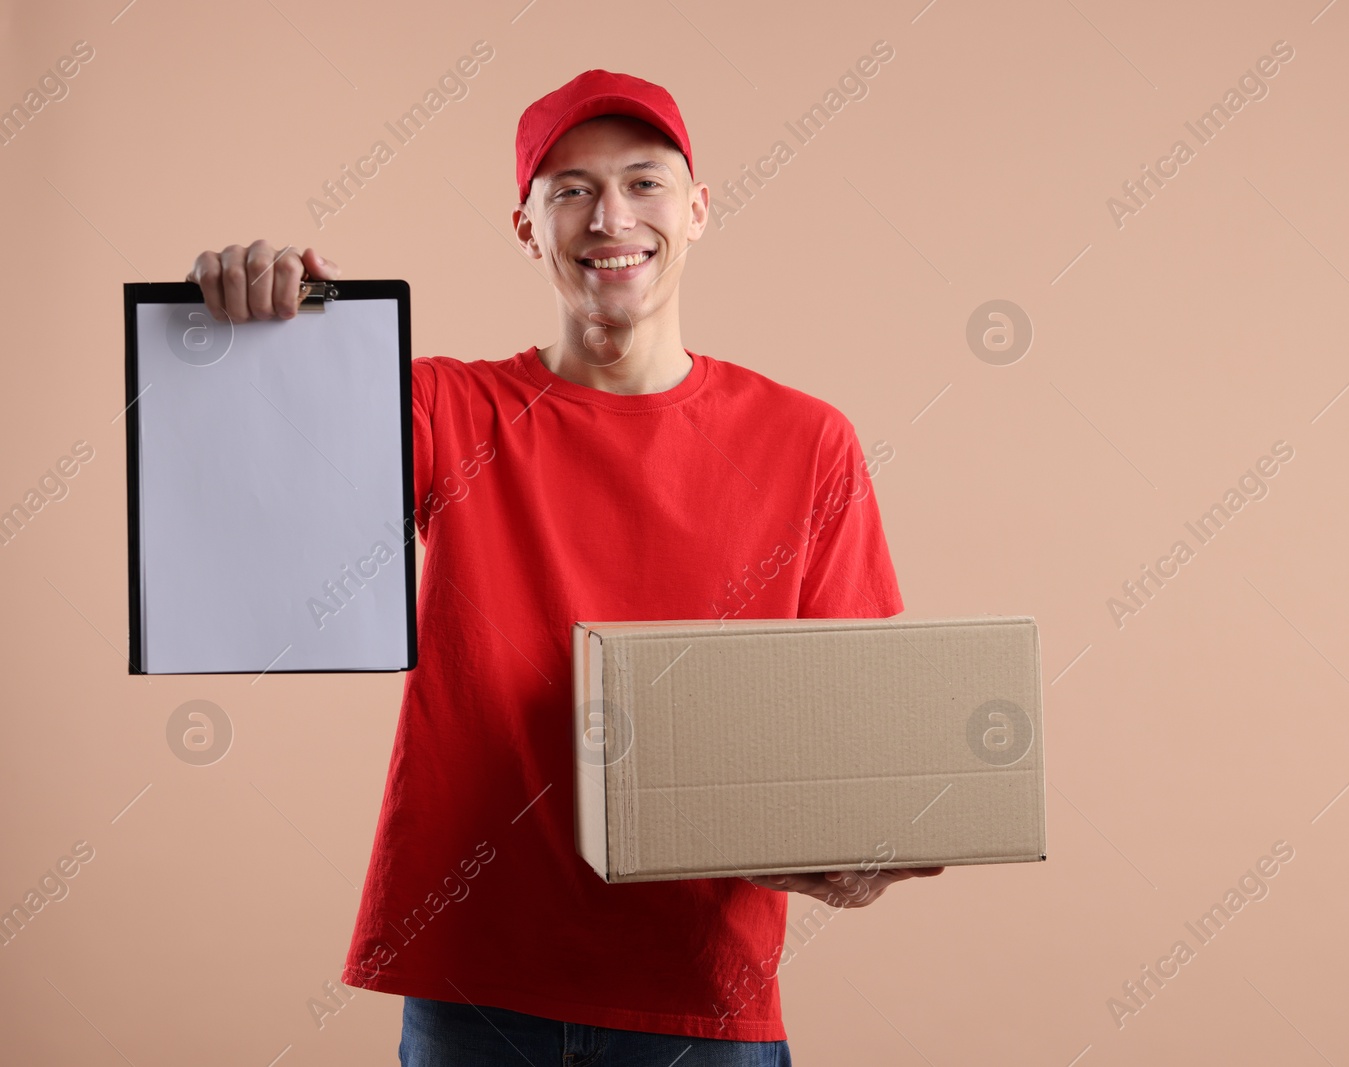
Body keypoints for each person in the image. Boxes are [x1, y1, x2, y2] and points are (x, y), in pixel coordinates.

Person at [185, 70, 942, 1065]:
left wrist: (864, 848)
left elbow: (852, 736)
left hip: (698, 990)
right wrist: (245, 340)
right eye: (571, 189)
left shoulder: (808, 441)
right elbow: (243, 505)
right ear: (525, 226)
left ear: (698, 210)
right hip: (479, 987)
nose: (609, 215)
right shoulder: (442, 410)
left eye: (643, 182)